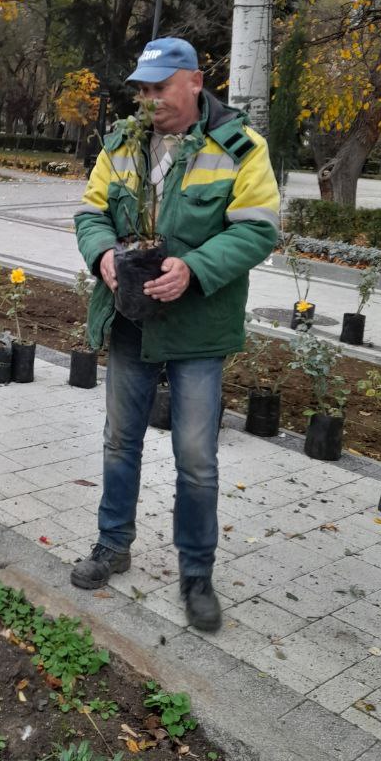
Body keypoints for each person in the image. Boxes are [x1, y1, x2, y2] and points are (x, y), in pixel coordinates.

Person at [70, 37, 280, 631]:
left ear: (194, 81)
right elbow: (90, 212)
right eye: (142, 89)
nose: (149, 99)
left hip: (198, 326)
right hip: (130, 319)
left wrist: (194, 269)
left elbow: (258, 229)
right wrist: (102, 255)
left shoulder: (240, 146)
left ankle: (196, 575)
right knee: (120, 441)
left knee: (195, 457)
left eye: (160, 87)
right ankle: (113, 544)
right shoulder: (122, 142)